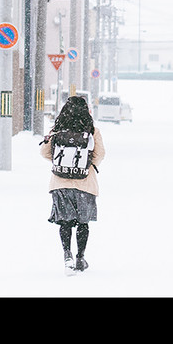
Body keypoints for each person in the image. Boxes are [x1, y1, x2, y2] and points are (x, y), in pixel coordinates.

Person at [40, 96, 106, 275]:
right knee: (83, 223)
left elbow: (44, 152)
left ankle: (67, 254)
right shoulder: (92, 131)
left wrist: (62, 165)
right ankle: (80, 257)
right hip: (85, 185)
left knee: (65, 222)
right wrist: (85, 166)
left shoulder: (58, 129)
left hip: (60, 184)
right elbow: (100, 154)